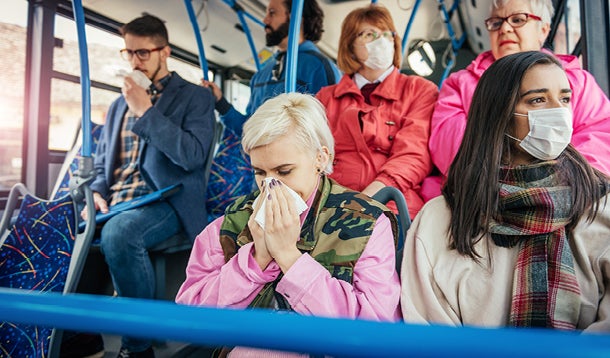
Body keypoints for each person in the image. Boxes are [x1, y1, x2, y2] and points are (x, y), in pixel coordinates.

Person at [176, 93, 401, 356]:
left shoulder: (368, 223)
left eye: (284, 172)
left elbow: (375, 328)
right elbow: (192, 317)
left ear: (320, 158)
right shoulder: (232, 222)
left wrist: (289, 258)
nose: (270, 186)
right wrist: (256, 259)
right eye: (260, 172)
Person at [401, 51, 610, 331]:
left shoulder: (599, 206)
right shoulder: (440, 220)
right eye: (537, 100)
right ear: (498, 113)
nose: (558, 113)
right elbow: (429, 331)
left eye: (564, 99)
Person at [83, 15, 216, 357]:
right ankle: (76, 337)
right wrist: (96, 191)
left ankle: (137, 347)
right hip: (117, 201)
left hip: (167, 201)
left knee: (119, 233)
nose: (134, 62)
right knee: (63, 222)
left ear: (164, 52)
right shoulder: (116, 105)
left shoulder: (195, 98)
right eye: (128, 53)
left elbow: (193, 156)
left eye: (142, 53)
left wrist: (146, 111)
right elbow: (102, 164)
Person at [424, 0, 610, 201]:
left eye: (518, 20)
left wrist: (556, 184)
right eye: (496, 23)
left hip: (566, 193)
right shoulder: (459, 84)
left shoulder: (578, 82)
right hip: (480, 195)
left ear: (543, 30)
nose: (504, 28)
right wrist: (511, 182)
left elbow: (599, 139)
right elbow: (451, 148)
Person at [316, 4, 438, 219]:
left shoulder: (420, 90)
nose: (381, 41)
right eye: (369, 34)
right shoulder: (326, 98)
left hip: (393, 204)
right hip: (330, 204)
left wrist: (364, 201)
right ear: (350, 45)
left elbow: (413, 155)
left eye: (387, 34)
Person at [203, 0, 341, 136]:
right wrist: (221, 103)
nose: (265, 20)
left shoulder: (320, 68)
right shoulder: (261, 74)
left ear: (296, 18)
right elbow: (250, 132)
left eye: (272, 13)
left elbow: (333, 131)